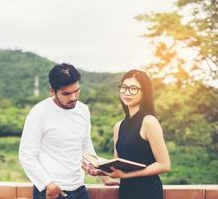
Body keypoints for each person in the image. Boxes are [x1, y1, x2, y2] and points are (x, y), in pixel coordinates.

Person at [84, 69, 171, 199]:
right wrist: (100, 171)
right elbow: (118, 164)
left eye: (133, 88)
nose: (127, 92)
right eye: (124, 88)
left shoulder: (149, 122)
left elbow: (164, 165)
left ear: (144, 92)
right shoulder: (118, 126)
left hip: (148, 192)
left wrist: (125, 175)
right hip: (126, 191)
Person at [19, 63, 96, 199]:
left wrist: (95, 165)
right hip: (52, 191)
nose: (73, 97)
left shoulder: (83, 110)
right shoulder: (39, 112)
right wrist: (48, 183)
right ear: (52, 91)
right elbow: (26, 155)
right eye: (66, 93)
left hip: (79, 188)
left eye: (76, 91)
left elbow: (85, 144)